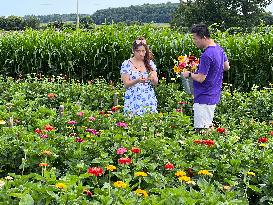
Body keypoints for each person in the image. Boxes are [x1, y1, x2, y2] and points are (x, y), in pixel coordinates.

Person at [182, 23, 230, 131]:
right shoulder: (219, 49)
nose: (194, 41)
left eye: (195, 39)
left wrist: (189, 74)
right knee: (208, 126)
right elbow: (226, 67)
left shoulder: (206, 55)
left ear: (203, 37)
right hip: (213, 94)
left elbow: (200, 78)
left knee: (201, 130)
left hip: (203, 96)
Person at [120, 37, 158, 116]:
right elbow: (126, 84)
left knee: (149, 121)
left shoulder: (150, 63)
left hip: (148, 98)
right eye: (138, 51)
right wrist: (137, 80)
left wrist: (153, 78)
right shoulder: (126, 64)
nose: (141, 53)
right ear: (133, 51)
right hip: (133, 99)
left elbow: (155, 83)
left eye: (143, 51)